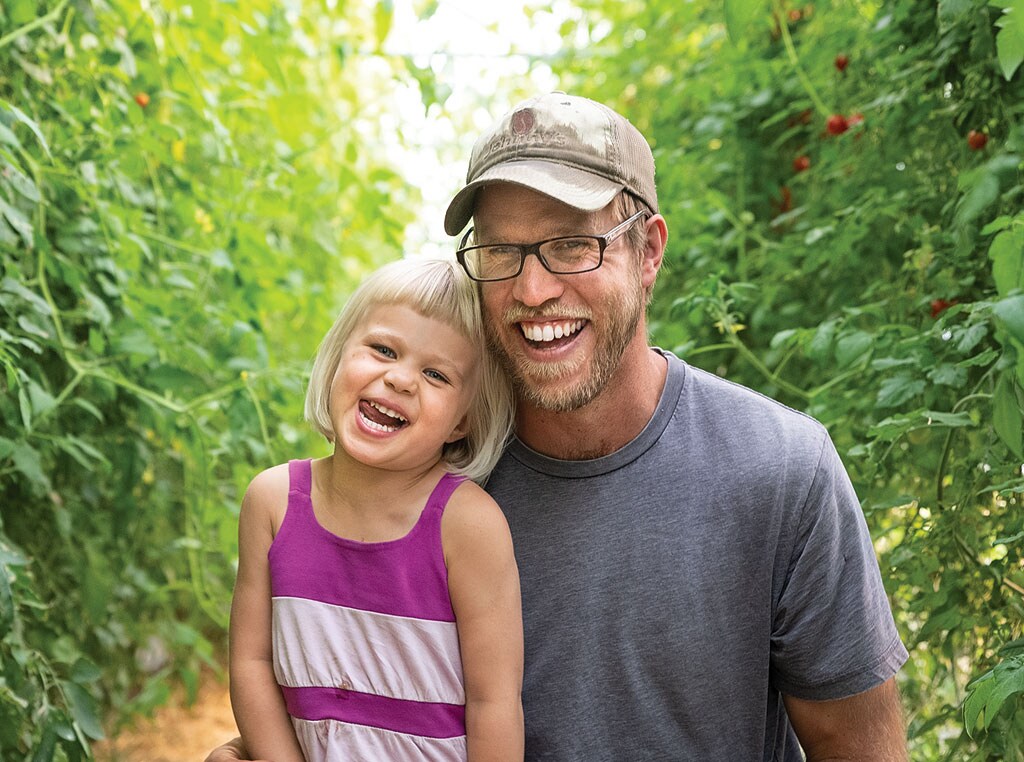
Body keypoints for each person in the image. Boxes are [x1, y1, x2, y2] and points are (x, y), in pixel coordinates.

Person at [210, 92, 908, 761]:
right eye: (500, 253)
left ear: (649, 253)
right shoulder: (428, 473)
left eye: (574, 245)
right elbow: (342, 687)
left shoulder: (779, 472)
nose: (533, 289)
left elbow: (859, 749)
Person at [228, 257, 523, 762]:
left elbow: (494, 703)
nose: (400, 379)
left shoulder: (467, 525)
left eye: (436, 374)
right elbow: (251, 663)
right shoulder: (273, 503)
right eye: (383, 349)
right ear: (340, 355)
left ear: (463, 422)